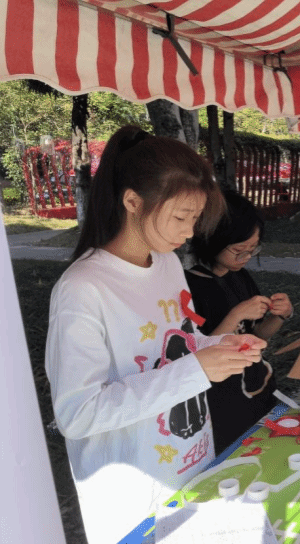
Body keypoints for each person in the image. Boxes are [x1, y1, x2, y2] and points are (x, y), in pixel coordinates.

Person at [44, 126, 266, 544]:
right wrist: (197, 370)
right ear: (132, 202)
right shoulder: (83, 289)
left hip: (191, 461)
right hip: (132, 491)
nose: (190, 232)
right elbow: (78, 414)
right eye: (181, 217)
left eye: (195, 218)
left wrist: (221, 346)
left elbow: (178, 342)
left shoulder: (166, 264)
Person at [185, 191, 293, 455]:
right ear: (212, 239)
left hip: (256, 389)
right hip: (222, 403)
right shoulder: (191, 287)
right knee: (235, 455)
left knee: (267, 450)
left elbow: (259, 338)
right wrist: (236, 315)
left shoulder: (240, 277)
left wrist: (279, 315)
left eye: (252, 249)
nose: (246, 257)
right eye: (238, 250)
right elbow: (198, 354)